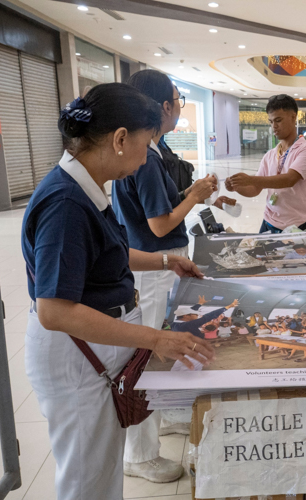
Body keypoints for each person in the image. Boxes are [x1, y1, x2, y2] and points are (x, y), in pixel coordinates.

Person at [22, 84, 215, 500]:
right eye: (146, 144)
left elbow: (109, 252)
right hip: (76, 355)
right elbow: (54, 311)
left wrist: (165, 261)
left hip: (93, 346)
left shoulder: (87, 188)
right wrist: (155, 338)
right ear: (121, 138)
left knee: (102, 471)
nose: (147, 156)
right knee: (86, 481)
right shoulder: (65, 205)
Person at [111, 70, 217, 482]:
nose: (178, 108)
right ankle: (139, 453)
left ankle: (154, 420)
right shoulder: (146, 159)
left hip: (158, 265)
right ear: (162, 108)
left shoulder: (151, 154)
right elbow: (158, 224)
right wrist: (193, 196)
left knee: (155, 353)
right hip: (153, 265)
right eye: (176, 100)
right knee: (147, 358)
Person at [225, 94, 306, 233]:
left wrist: (250, 179)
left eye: (278, 120)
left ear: (293, 117)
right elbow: (255, 189)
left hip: (297, 226)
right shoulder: (270, 155)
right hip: (268, 223)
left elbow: (289, 179)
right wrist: (236, 186)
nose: (274, 126)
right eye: (271, 121)